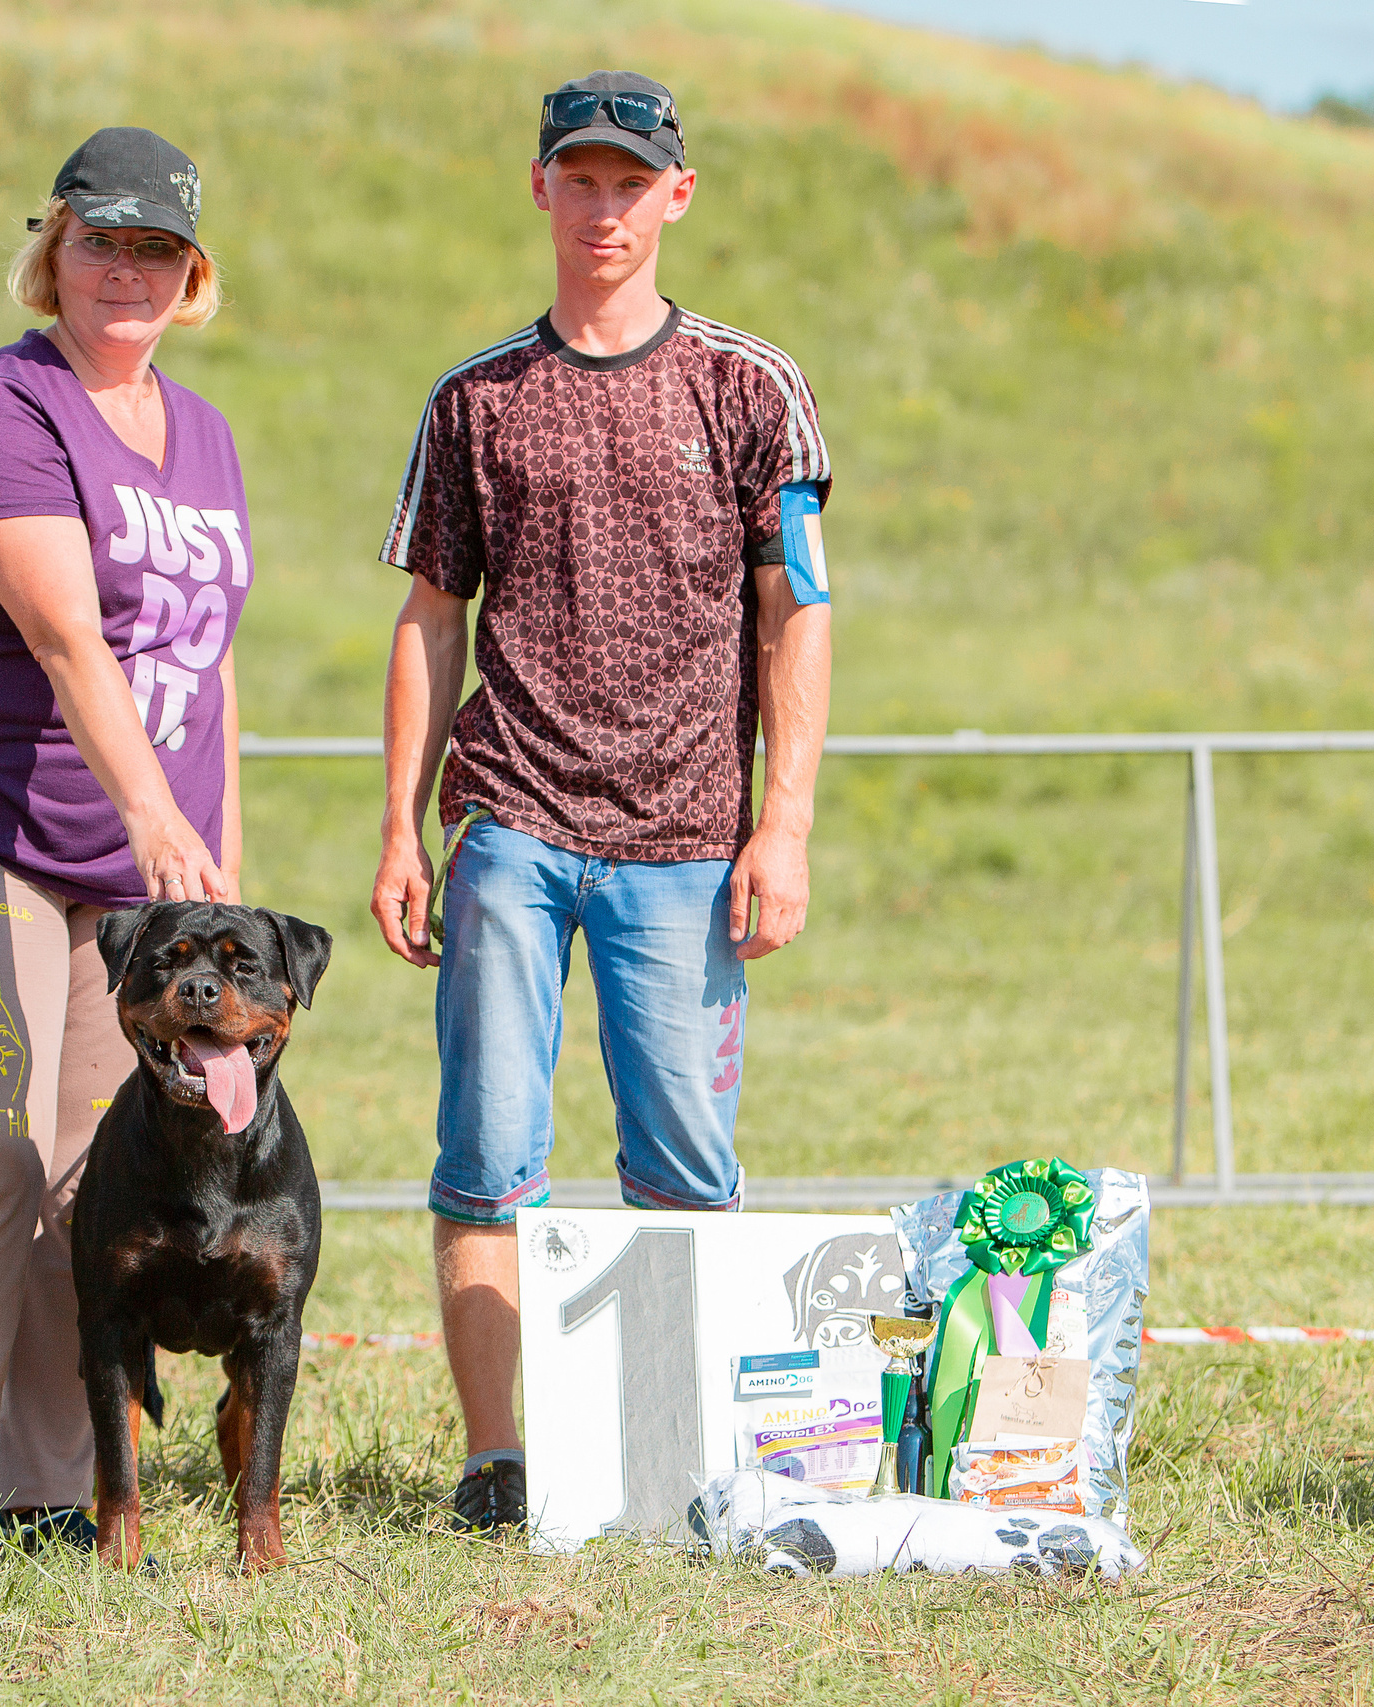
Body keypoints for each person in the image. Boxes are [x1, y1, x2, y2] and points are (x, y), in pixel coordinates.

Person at [369, 70, 834, 1533]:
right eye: (582, 177)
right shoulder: (475, 399)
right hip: (507, 825)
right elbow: (431, 616)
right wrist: (401, 823)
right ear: (542, 190)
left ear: (677, 198)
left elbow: (797, 612)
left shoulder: (752, 389)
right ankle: (500, 1464)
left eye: (633, 182)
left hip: (690, 844)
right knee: (488, 1154)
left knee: (686, 1169)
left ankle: (675, 1457)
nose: (607, 206)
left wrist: (786, 821)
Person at [0, 126, 250, 1564]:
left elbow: (208, 665)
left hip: (144, 880)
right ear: (54, 250)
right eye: (101, 241)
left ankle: (49, 1489)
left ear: (192, 273)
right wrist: (154, 817)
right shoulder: (0, 410)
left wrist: (216, 858)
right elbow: (65, 637)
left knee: (100, 1187)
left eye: (157, 248)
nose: (127, 271)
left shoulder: (202, 432)